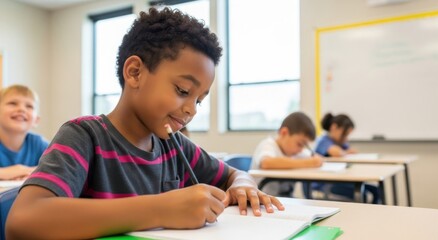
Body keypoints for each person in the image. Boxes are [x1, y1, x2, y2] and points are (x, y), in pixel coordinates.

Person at [6, 8, 283, 240]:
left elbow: (232, 174)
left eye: (199, 100)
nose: (191, 110)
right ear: (135, 72)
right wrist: (161, 209)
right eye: (184, 91)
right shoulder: (84, 136)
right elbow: (23, 220)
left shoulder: (175, 147)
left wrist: (243, 184)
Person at [251, 111, 323, 197]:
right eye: (299, 144)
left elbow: (316, 159)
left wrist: (315, 160)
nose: (301, 150)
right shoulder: (267, 145)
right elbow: (266, 163)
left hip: (286, 200)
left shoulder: (294, 151)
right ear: (284, 133)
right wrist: (311, 162)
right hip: (262, 201)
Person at [313, 113, 380, 203]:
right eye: (344, 134)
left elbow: (351, 152)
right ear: (334, 127)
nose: (346, 138)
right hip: (325, 184)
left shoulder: (339, 142)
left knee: (376, 191)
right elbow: (337, 153)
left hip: (340, 180)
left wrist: (346, 151)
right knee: (363, 194)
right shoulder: (324, 140)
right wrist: (345, 152)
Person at [0, 84, 48, 180]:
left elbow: (58, 170)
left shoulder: (39, 144)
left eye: (29, 106)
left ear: (36, 120)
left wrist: (27, 172)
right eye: (13, 103)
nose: (21, 109)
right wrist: (12, 171)